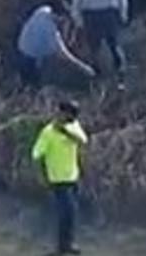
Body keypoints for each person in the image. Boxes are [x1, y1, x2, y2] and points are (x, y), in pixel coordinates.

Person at [31, 100, 89, 255]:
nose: (73, 118)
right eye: (70, 115)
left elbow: (83, 141)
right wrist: (41, 177)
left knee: (71, 214)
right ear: (62, 113)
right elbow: (36, 155)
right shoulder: (48, 132)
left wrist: (65, 132)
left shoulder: (73, 126)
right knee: (67, 213)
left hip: (73, 177)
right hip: (58, 180)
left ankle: (67, 245)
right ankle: (62, 248)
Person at [70, 0, 129, 89]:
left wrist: (124, 10)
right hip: (90, 13)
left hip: (109, 11)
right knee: (93, 49)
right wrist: (77, 17)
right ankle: (96, 80)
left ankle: (121, 79)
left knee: (114, 45)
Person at [16, 2, 96, 88]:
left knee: (26, 85)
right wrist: (84, 68)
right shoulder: (50, 30)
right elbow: (63, 54)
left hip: (21, 50)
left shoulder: (43, 10)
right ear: (60, 17)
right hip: (30, 59)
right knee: (32, 87)